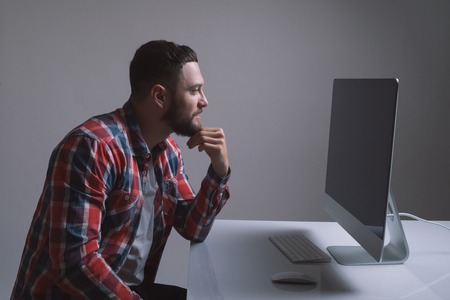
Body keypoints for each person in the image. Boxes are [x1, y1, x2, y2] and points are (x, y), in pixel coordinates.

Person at [11, 40, 231, 299]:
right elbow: (74, 264)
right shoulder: (91, 147)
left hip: (122, 291)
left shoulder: (168, 153)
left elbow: (193, 228)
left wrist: (219, 170)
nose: (204, 101)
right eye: (195, 91)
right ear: (159, 96)